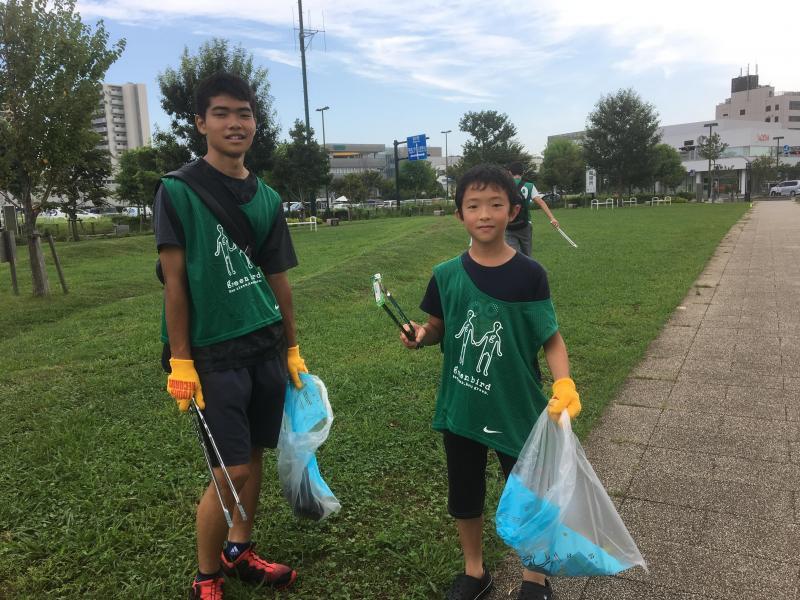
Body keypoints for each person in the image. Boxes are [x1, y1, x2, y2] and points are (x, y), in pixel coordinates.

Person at [155, 72, 308, 600]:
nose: (234, 123)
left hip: (263, 343)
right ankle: (206, 576)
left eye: (243, 113)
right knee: (230, 471)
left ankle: (239, 551)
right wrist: (181, 360)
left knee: (255, 453)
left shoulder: (267, 197)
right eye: (221, 113)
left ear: (255, 122)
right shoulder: (177, 191)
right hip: (211, 352)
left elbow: (278, 279)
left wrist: (291, 346)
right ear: (201, 123)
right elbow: (175, 283)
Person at [400, 164, 581, 600]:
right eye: (473, 206)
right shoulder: (446, 274)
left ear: (513, 211)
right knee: (465, 494)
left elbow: (551, 338)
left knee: (529, 494)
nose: (484, 214)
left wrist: (564, 384)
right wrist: (421, 335)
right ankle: (475, 572)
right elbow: (437, 327)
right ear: (459, 214)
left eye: (496, 204)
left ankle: (535, 580)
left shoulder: (530, 274)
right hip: (462, 407)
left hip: (515, 407)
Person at [505, 162, 559, 256]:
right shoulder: (529, 186)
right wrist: (552, 218)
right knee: (527, 254)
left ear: (509, 172)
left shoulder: (504, 186)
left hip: (508, 225)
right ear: (523, 173)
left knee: (513, 255)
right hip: (525, 224)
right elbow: (540, 202)